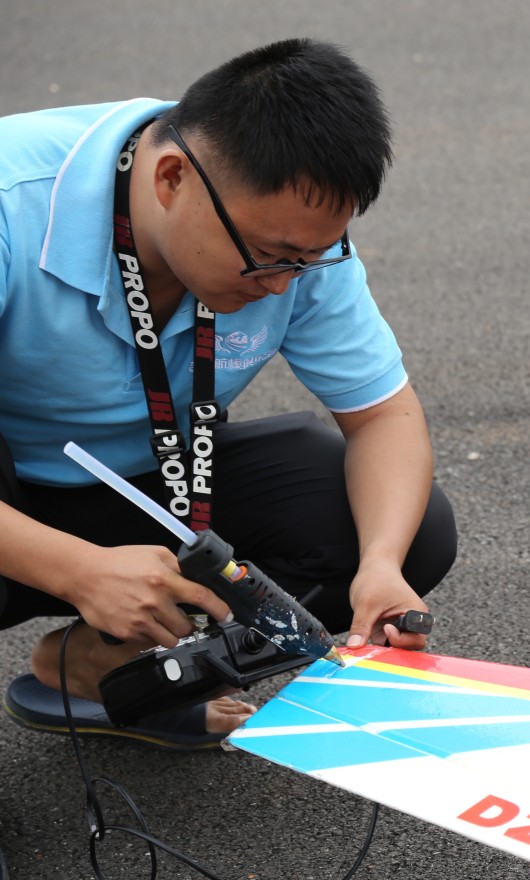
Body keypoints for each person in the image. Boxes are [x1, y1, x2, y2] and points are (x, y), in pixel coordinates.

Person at [0, 38, 457, 748]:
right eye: (267, 258)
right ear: (172, 178)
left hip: (156, 488)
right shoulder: (10, 202)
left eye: (306, 261)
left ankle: (101, 667)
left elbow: (384, 417)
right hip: (13, 498)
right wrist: (78, 569)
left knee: (406, 525)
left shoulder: (296, 243)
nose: (281, 284)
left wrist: (381, 568)